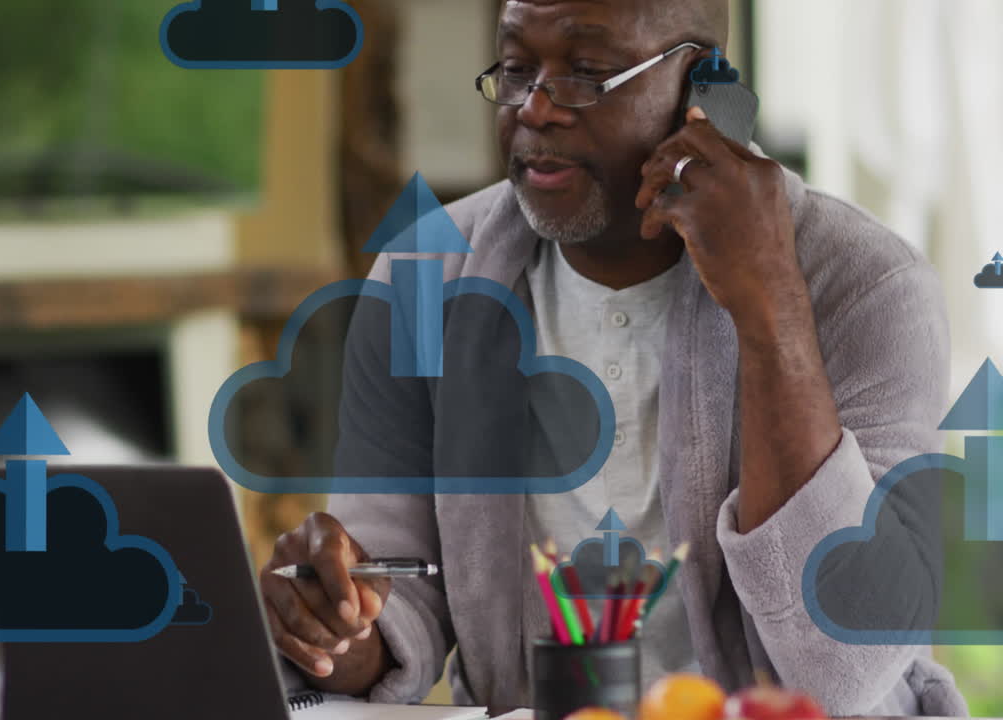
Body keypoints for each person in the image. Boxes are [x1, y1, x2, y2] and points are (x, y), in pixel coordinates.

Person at [258, 0, 968, 716]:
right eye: (514, 69)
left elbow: (847, 668)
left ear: (704, 89)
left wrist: (770, 306)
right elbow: (395, 599)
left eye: (586, 74)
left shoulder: (870, 285)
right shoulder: (421, 275)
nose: (534, 109)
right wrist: (336, 628)